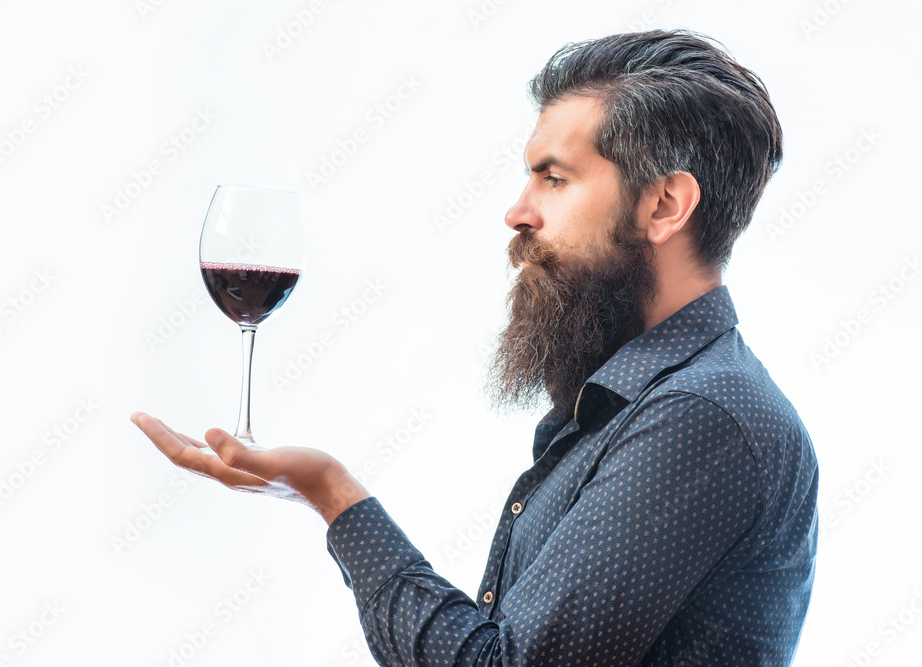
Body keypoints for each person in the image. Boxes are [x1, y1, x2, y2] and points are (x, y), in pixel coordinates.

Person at [132, 28, 818, 666]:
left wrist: (331, 491)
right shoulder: (634, 404)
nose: (517, 211)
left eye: (554, 177)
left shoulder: (702, 416)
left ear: (664, 205)